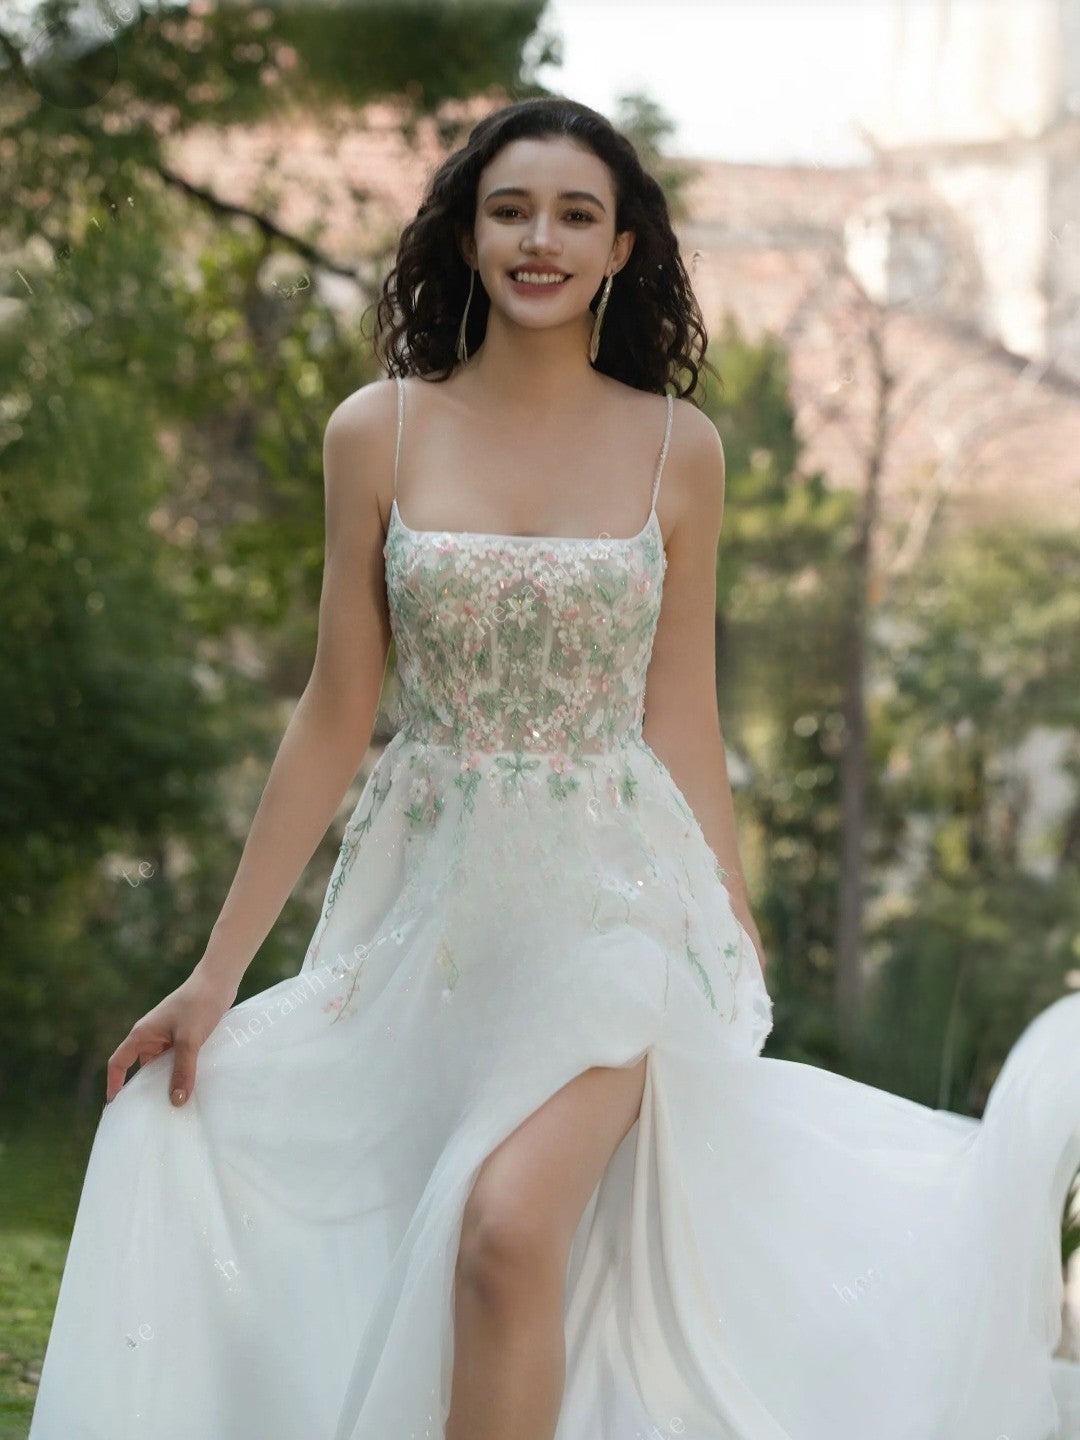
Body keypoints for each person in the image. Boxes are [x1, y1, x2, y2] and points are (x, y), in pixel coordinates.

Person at [27, 95, 1080, 1440]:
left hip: (621, 915)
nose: (540, 237)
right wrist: (215, 975)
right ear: (465, 237)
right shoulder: (379, 431)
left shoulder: (677, 450)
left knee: (507, 1233)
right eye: (509, 209)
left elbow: (683, 722)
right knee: (332, 1197)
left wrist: (732, 935)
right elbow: (335, 710)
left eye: (577, 213)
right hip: (437, 923)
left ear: (623, 247)